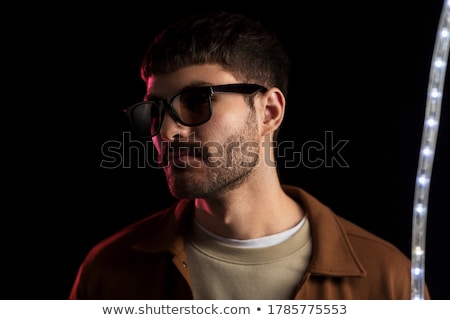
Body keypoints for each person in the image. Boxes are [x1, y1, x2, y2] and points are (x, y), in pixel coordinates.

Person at [69, 11, 430, 300]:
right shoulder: (108, 273)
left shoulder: (388, 282)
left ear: (269, 112)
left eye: (197, 101)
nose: (166, 132)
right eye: (155, 111)